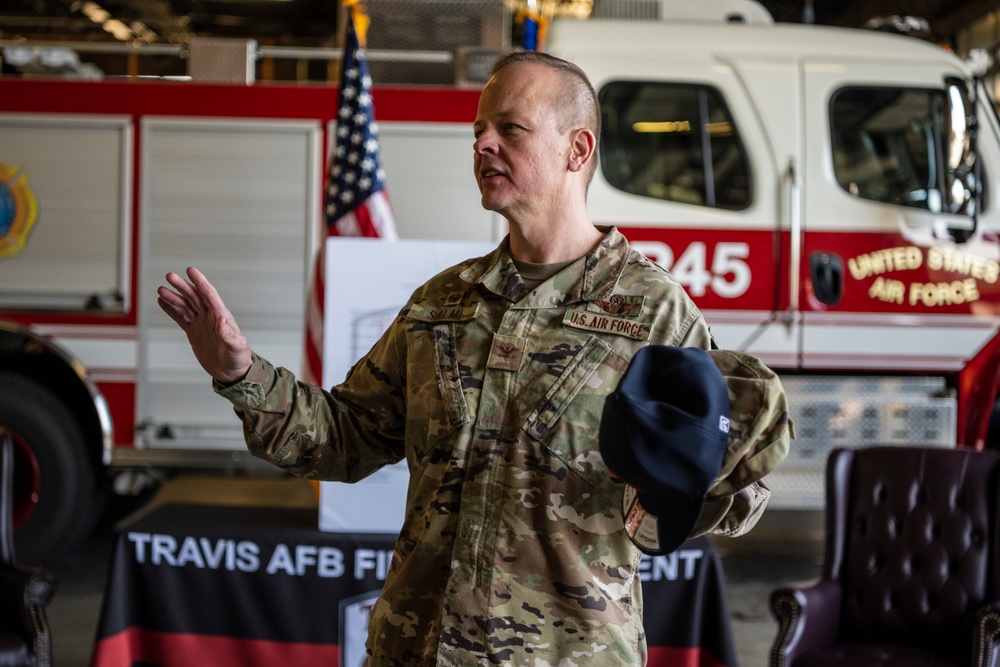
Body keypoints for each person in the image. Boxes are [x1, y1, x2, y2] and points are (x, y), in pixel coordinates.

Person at [157, 51, 769, 667]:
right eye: (478, 129)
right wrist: (239, 372)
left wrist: (687, 478)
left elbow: (738, 488)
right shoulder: (443, 304)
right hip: (417, 649)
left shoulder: (653, 314)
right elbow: (343, 438)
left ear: (577, 150)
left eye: (510, 128)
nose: (483, 144)